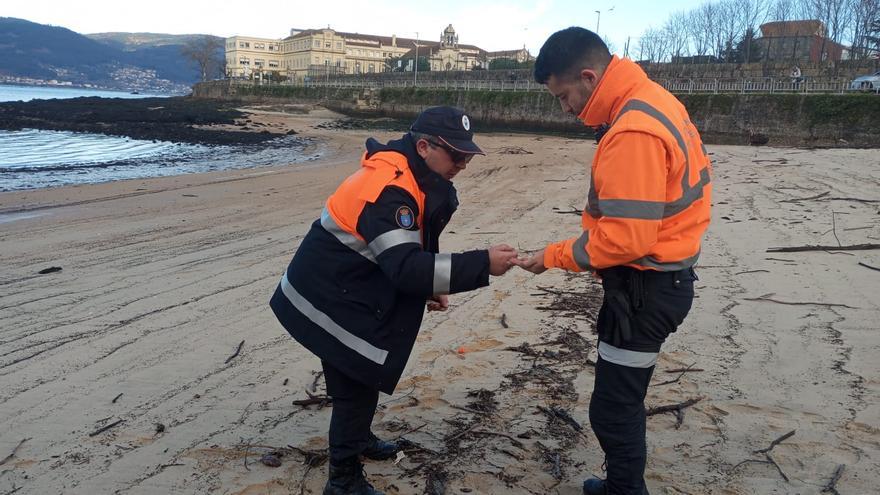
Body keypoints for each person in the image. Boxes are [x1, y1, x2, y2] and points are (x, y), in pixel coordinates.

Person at [270, 106, 518, 495]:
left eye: (468, 156)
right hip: (323, 293)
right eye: (457, 155)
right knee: (357, 378)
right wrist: (482, 263)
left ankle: (359, 438)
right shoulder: (390, 190)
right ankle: (343, 479)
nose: (463, 164)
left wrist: (431, 283)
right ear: (424, 146)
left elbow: (408, 248)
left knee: (357, 375)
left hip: (345, 282)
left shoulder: (412, 174)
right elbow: (405, 267)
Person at [513, 28, 712, 495]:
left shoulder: (632, 131)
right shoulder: (652, 100)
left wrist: (551, 256)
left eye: (564, 96)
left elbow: (626, 239)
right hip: (664, 278)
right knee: (622, 397)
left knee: (613, 406)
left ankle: (624, 489)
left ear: (588, 75)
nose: (565, 108)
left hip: (646, 290)